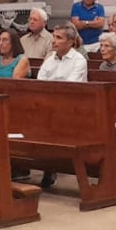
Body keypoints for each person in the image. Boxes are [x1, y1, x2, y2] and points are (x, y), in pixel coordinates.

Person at [35, 27, 88, 189]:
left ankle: (51, 167)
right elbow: (40, 81)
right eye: (54, 37)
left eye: (59, 37)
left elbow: (70, 87)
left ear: (70, 42)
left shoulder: (78, 60)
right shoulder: (50, 59)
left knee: (53, 124)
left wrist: (50, 91)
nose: (54, 41)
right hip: (49, 106)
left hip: (73, 108)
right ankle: (44, 165)